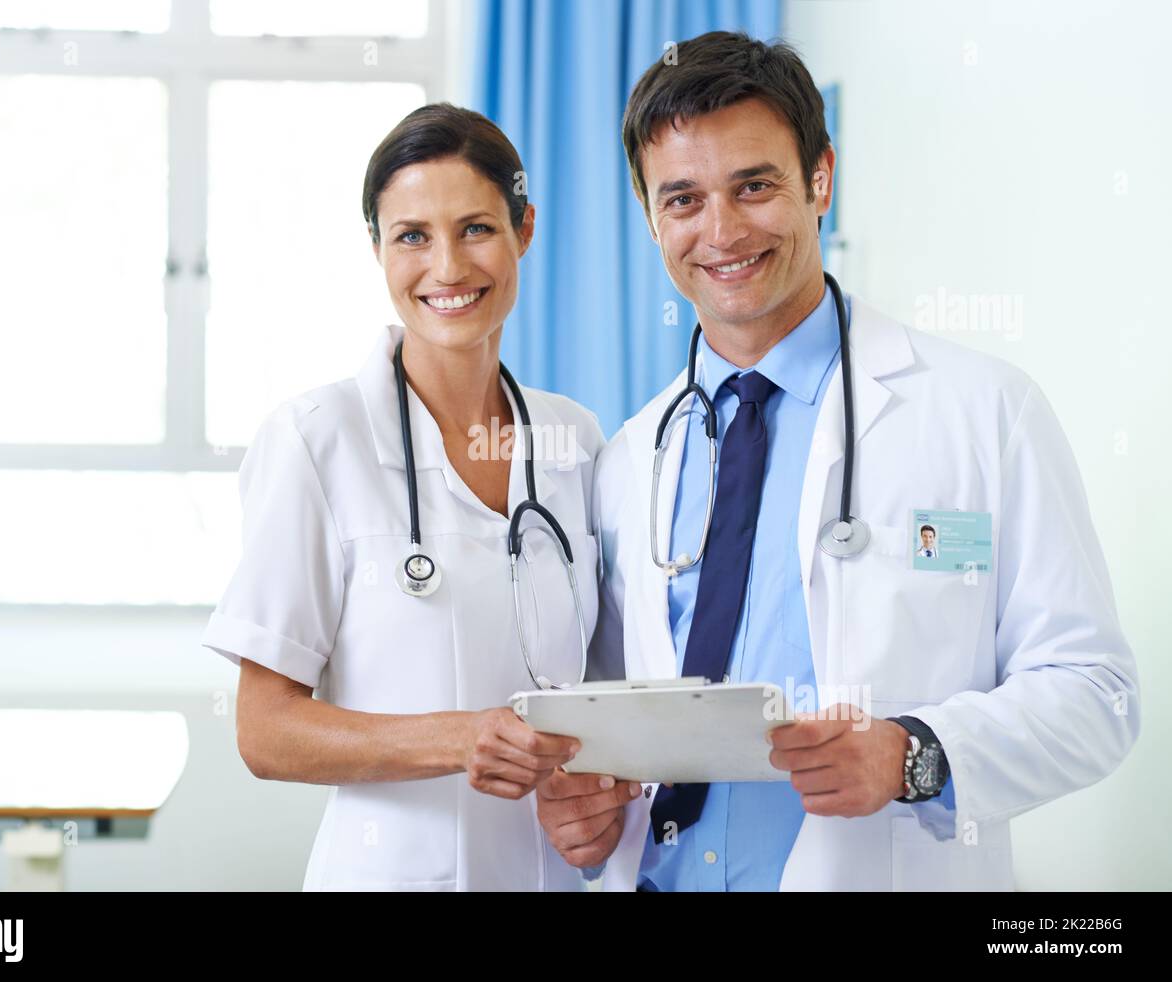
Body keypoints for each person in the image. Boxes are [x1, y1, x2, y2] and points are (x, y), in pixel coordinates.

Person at [537, 31, 1139, 891]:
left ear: (821, 178)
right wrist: (583, 803)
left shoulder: (983, 411)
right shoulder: (633, 456)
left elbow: (1097, 694)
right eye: (682, 200)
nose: (721, 232)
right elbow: (606, 719)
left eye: (754, 185)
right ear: (648, 213)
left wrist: (916, 755)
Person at [201, 103, 603, 891]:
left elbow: (607, 690)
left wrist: (603, 797)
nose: (447, 267)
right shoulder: (316, 439)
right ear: (379, 252)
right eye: (412, 236)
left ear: (525, 230)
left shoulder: (577, 441)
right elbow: (265, 731)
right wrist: (458, 739)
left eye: (477, 228)